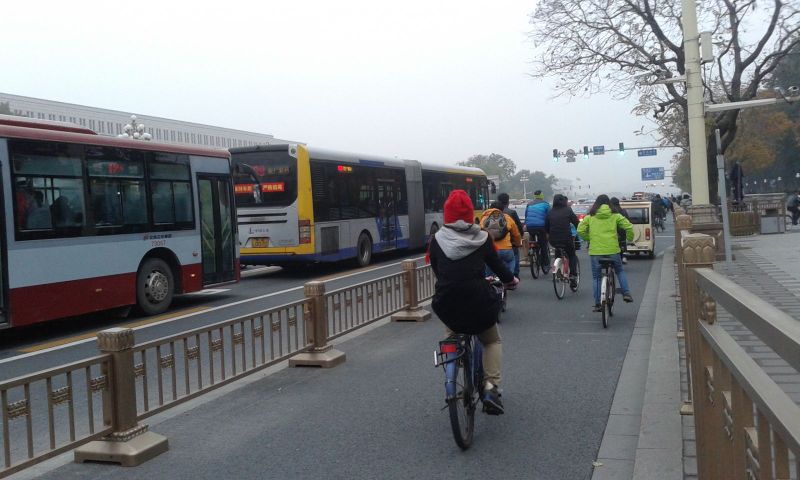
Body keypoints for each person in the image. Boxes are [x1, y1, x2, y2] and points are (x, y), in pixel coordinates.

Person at [428, 190, 518, 415]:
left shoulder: (437, 239)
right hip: (478, 301)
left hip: (447, 302)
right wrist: (511, 280)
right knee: (492, 341)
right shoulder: (483, 237)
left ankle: (454, 360)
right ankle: (491, 388)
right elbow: (498, 266)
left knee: (452, 332)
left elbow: (437, 269)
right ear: (470, 214)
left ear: (447, 215)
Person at [577, 194, 635, 312]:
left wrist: (589, 239)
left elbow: (580, 230)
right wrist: (629, 238)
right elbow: (629, 226)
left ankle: (598, 303)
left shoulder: (590, 217)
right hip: (613, 250)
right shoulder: (615, 216)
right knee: (619, 271)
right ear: (609, 204)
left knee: (596, 277)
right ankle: (626, 293)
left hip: (596, 252)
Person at [481, 201, 521, 281]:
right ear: (502, 209)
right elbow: (516, 234)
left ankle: (489, 280)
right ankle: (509, 280)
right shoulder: (507, 218)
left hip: (491, 249)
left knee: (488, 264)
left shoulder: (484, 218)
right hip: (506, 249)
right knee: (511, 260)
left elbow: (480, 232)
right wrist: (517, 243)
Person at [545, 194, 579, 288]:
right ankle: (573, 276)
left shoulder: (550, 212)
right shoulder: (568, 210)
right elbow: (576, 222)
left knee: (558, 250)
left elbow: (546, 227)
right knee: (572, 255)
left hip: (553, 240)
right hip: (566, 239)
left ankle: (558, 268)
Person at [497, 193, 523, 277]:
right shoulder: (511, 213)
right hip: (510, 244)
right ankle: (514, 276)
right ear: (508, 202)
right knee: (514, 256)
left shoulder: (488, 215)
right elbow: (518, 228)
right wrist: (518, 241)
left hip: (493, 246)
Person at [525, 190, 551, 272]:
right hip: (541, 227)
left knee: (532, 239)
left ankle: (532, 249)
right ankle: (546, 263)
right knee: (543, 244)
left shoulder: (529, 204)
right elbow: (549, 217)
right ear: (541, 195)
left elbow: (526, 215)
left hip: (530, 226)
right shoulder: (546, 204)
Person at [610, 197, 630, 264]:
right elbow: (628, 221)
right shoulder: (623, 211)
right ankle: (624, 256)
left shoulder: (611, 212)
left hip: (613, 232)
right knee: (623, 243)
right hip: (622, 232)